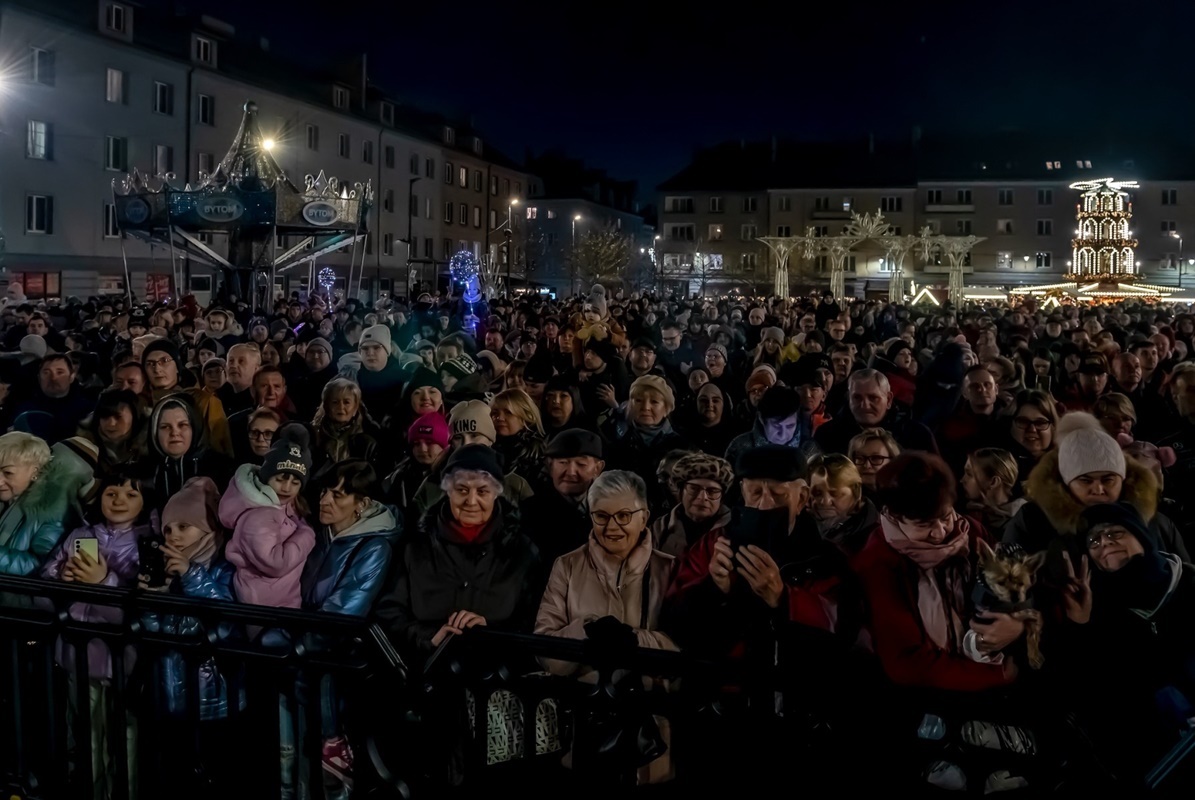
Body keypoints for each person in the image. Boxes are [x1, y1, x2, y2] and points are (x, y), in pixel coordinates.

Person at [535, 470, 678, 785]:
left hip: (651, 738)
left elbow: (683, 653)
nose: (612, 527)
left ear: (645, 517)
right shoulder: (567, 566)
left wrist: (631, 639)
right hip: (581, 730)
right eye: (601, 516)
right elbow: (545, 651)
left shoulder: (669, 568)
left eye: (624, 515)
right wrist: (586, 629)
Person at [220, 425, 316, 613]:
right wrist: (307, 534)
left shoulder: (284, 506)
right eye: (281, 479)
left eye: (295, 482)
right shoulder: (259, 515)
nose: (287, 488)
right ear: (267, 476)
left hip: (279, 601)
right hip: (265, 606)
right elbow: (275, 564)